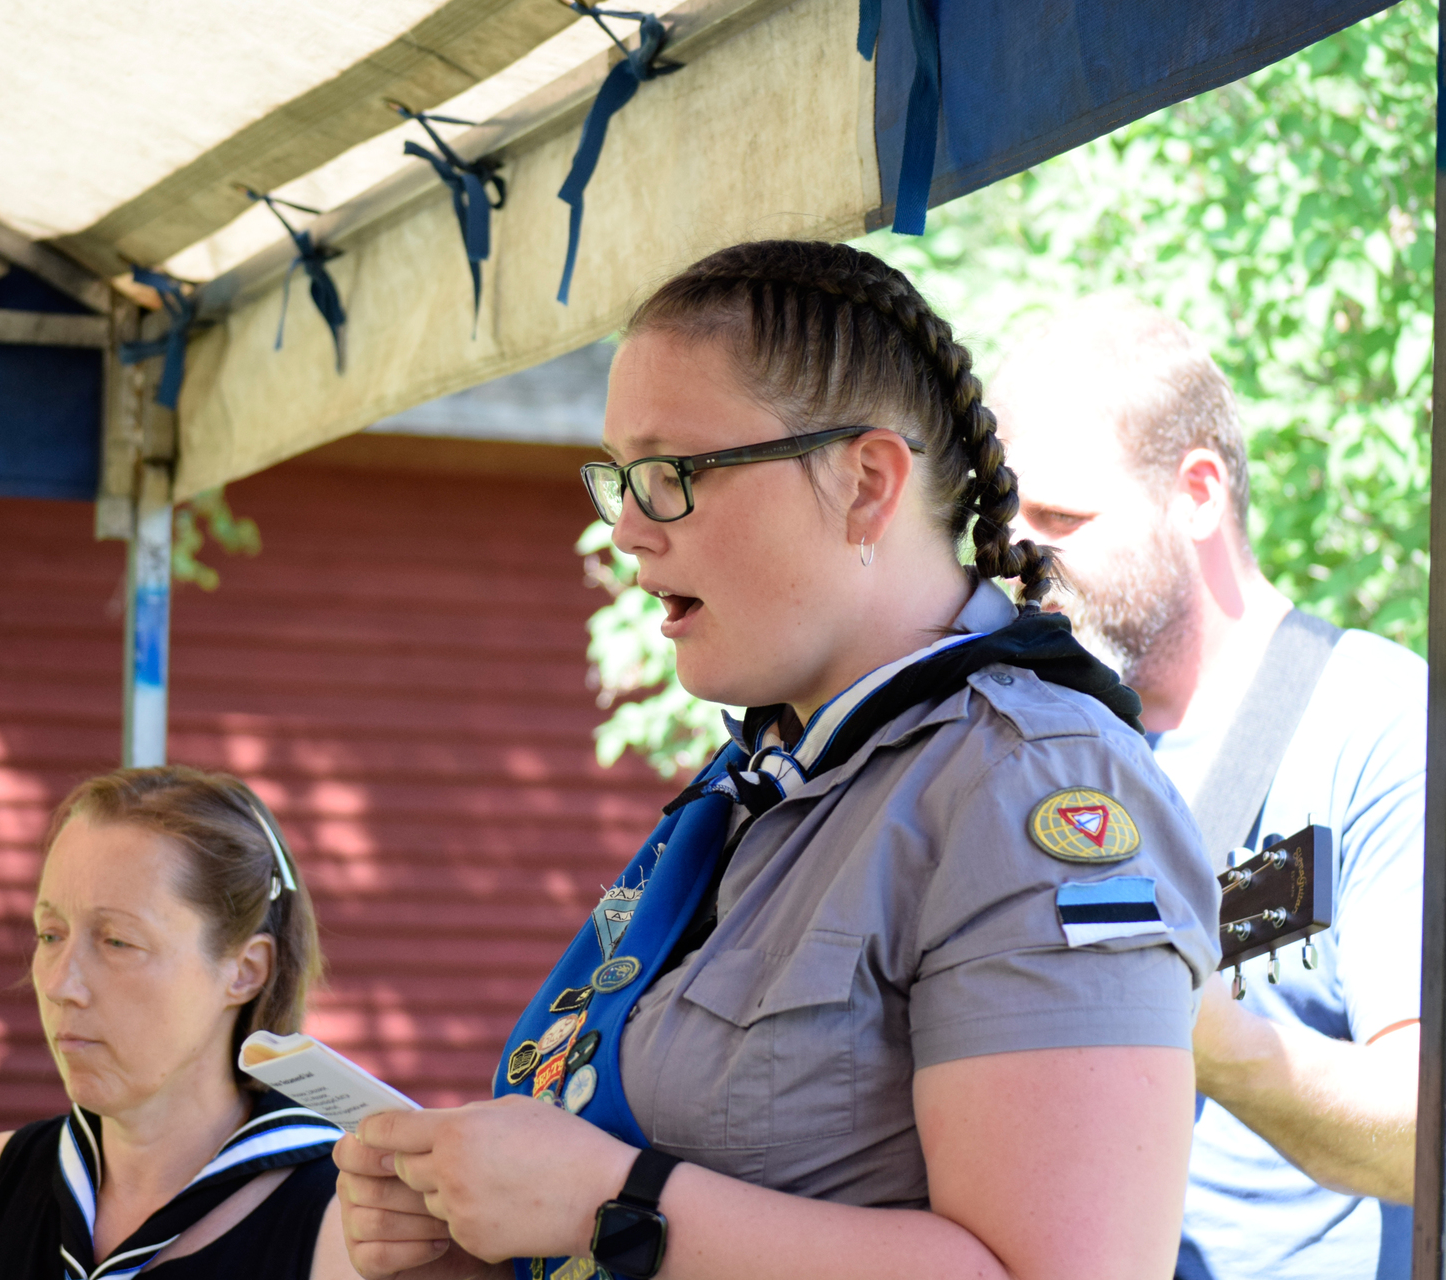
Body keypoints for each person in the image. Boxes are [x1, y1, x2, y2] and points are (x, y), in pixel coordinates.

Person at [325, 240, 1221, 1280]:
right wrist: (477, 1236)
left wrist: (611, 1205)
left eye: (673, 475)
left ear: (866, 485)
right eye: (620, 477)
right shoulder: (763, 779)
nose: (627, 529)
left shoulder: (1033, 783)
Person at [992, 296, 1446, 1280]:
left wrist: (1192, 1022)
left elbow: (1438, 1134)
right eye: (1006, 523)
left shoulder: (1385, 722)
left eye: (1061, 519)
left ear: (1198, 492)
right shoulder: (1030, 742)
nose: (1022, 559)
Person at [0, 766, 346, 1280]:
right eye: (50, 934)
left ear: (246, 971)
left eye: (118, 941)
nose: (60, 985)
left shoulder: (347, 1222)